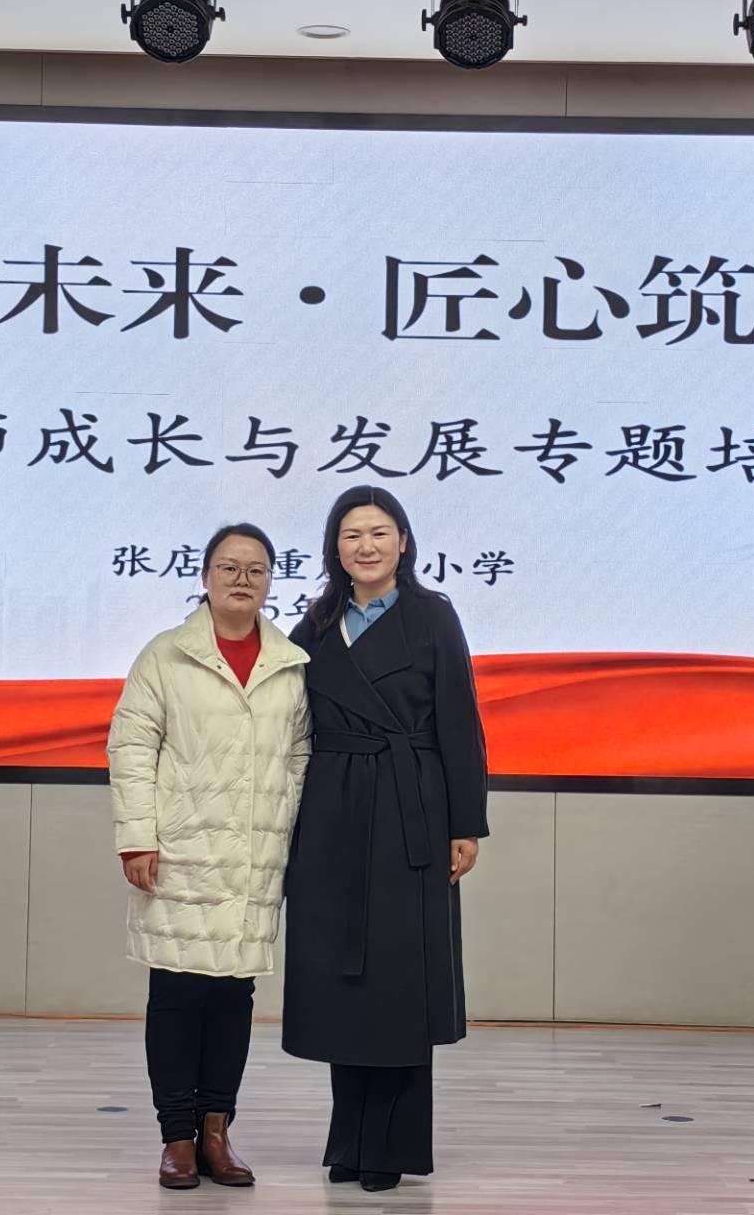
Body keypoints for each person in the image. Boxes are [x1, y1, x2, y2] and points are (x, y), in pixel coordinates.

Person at [283, 486, 489, 1192]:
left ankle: (392, 1147)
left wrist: (466, 822)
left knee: (399, 980)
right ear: (334, 549)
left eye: (378, 532)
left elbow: (460, 720)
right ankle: (349, 1141)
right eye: (351, 535)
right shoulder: (316, 623)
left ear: (403, 541)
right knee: (344, 978)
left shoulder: (433, 615)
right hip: (331, 810)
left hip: (410, 808)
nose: (365, 546)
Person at [108, 523, 311, 1190]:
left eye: (256, 569)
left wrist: (287, 826)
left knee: (233, 996)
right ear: (205, 577)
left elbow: (301, 755)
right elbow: (131, 748)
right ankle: (177, 1138)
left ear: (271, 581)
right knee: (176, 992)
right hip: (179, 851)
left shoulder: (289, 664)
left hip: (254, 854)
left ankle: (217, 1133)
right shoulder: (165, 656)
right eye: (229, 567)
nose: (242, 580)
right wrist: (138, 836)